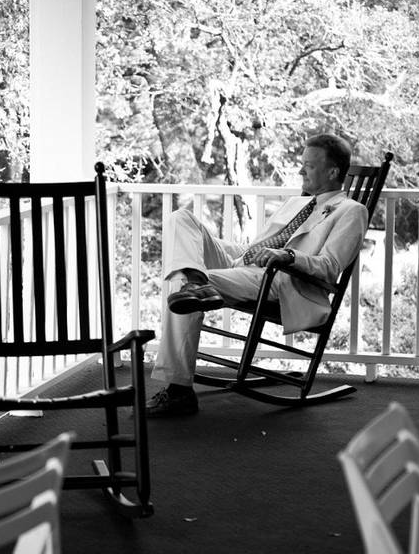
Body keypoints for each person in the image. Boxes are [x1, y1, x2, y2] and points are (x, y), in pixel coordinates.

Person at [147, 133, 368, 417]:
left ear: (333, 171)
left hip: (282, 279)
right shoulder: (300, 202)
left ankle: (179, 391)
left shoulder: (352, 212)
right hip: (248, 262)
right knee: (181, 218)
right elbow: (262, 243)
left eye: (308, 166)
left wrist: (288, 257)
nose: (300, 170)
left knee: (181, 283)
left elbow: (328, 266)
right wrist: (245, 254)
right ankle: (197, 280)